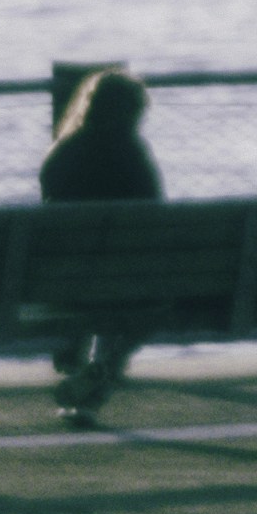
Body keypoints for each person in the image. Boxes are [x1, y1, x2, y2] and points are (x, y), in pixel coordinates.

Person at [40, 64, 164, 430]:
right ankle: (103, 370)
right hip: (127, 284)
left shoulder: (62, 156)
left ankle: (81, 366)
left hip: (66, 284)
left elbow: (51, 224)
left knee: (94, 288)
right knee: (153, 300)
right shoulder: (134, 156)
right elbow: (154, 215)